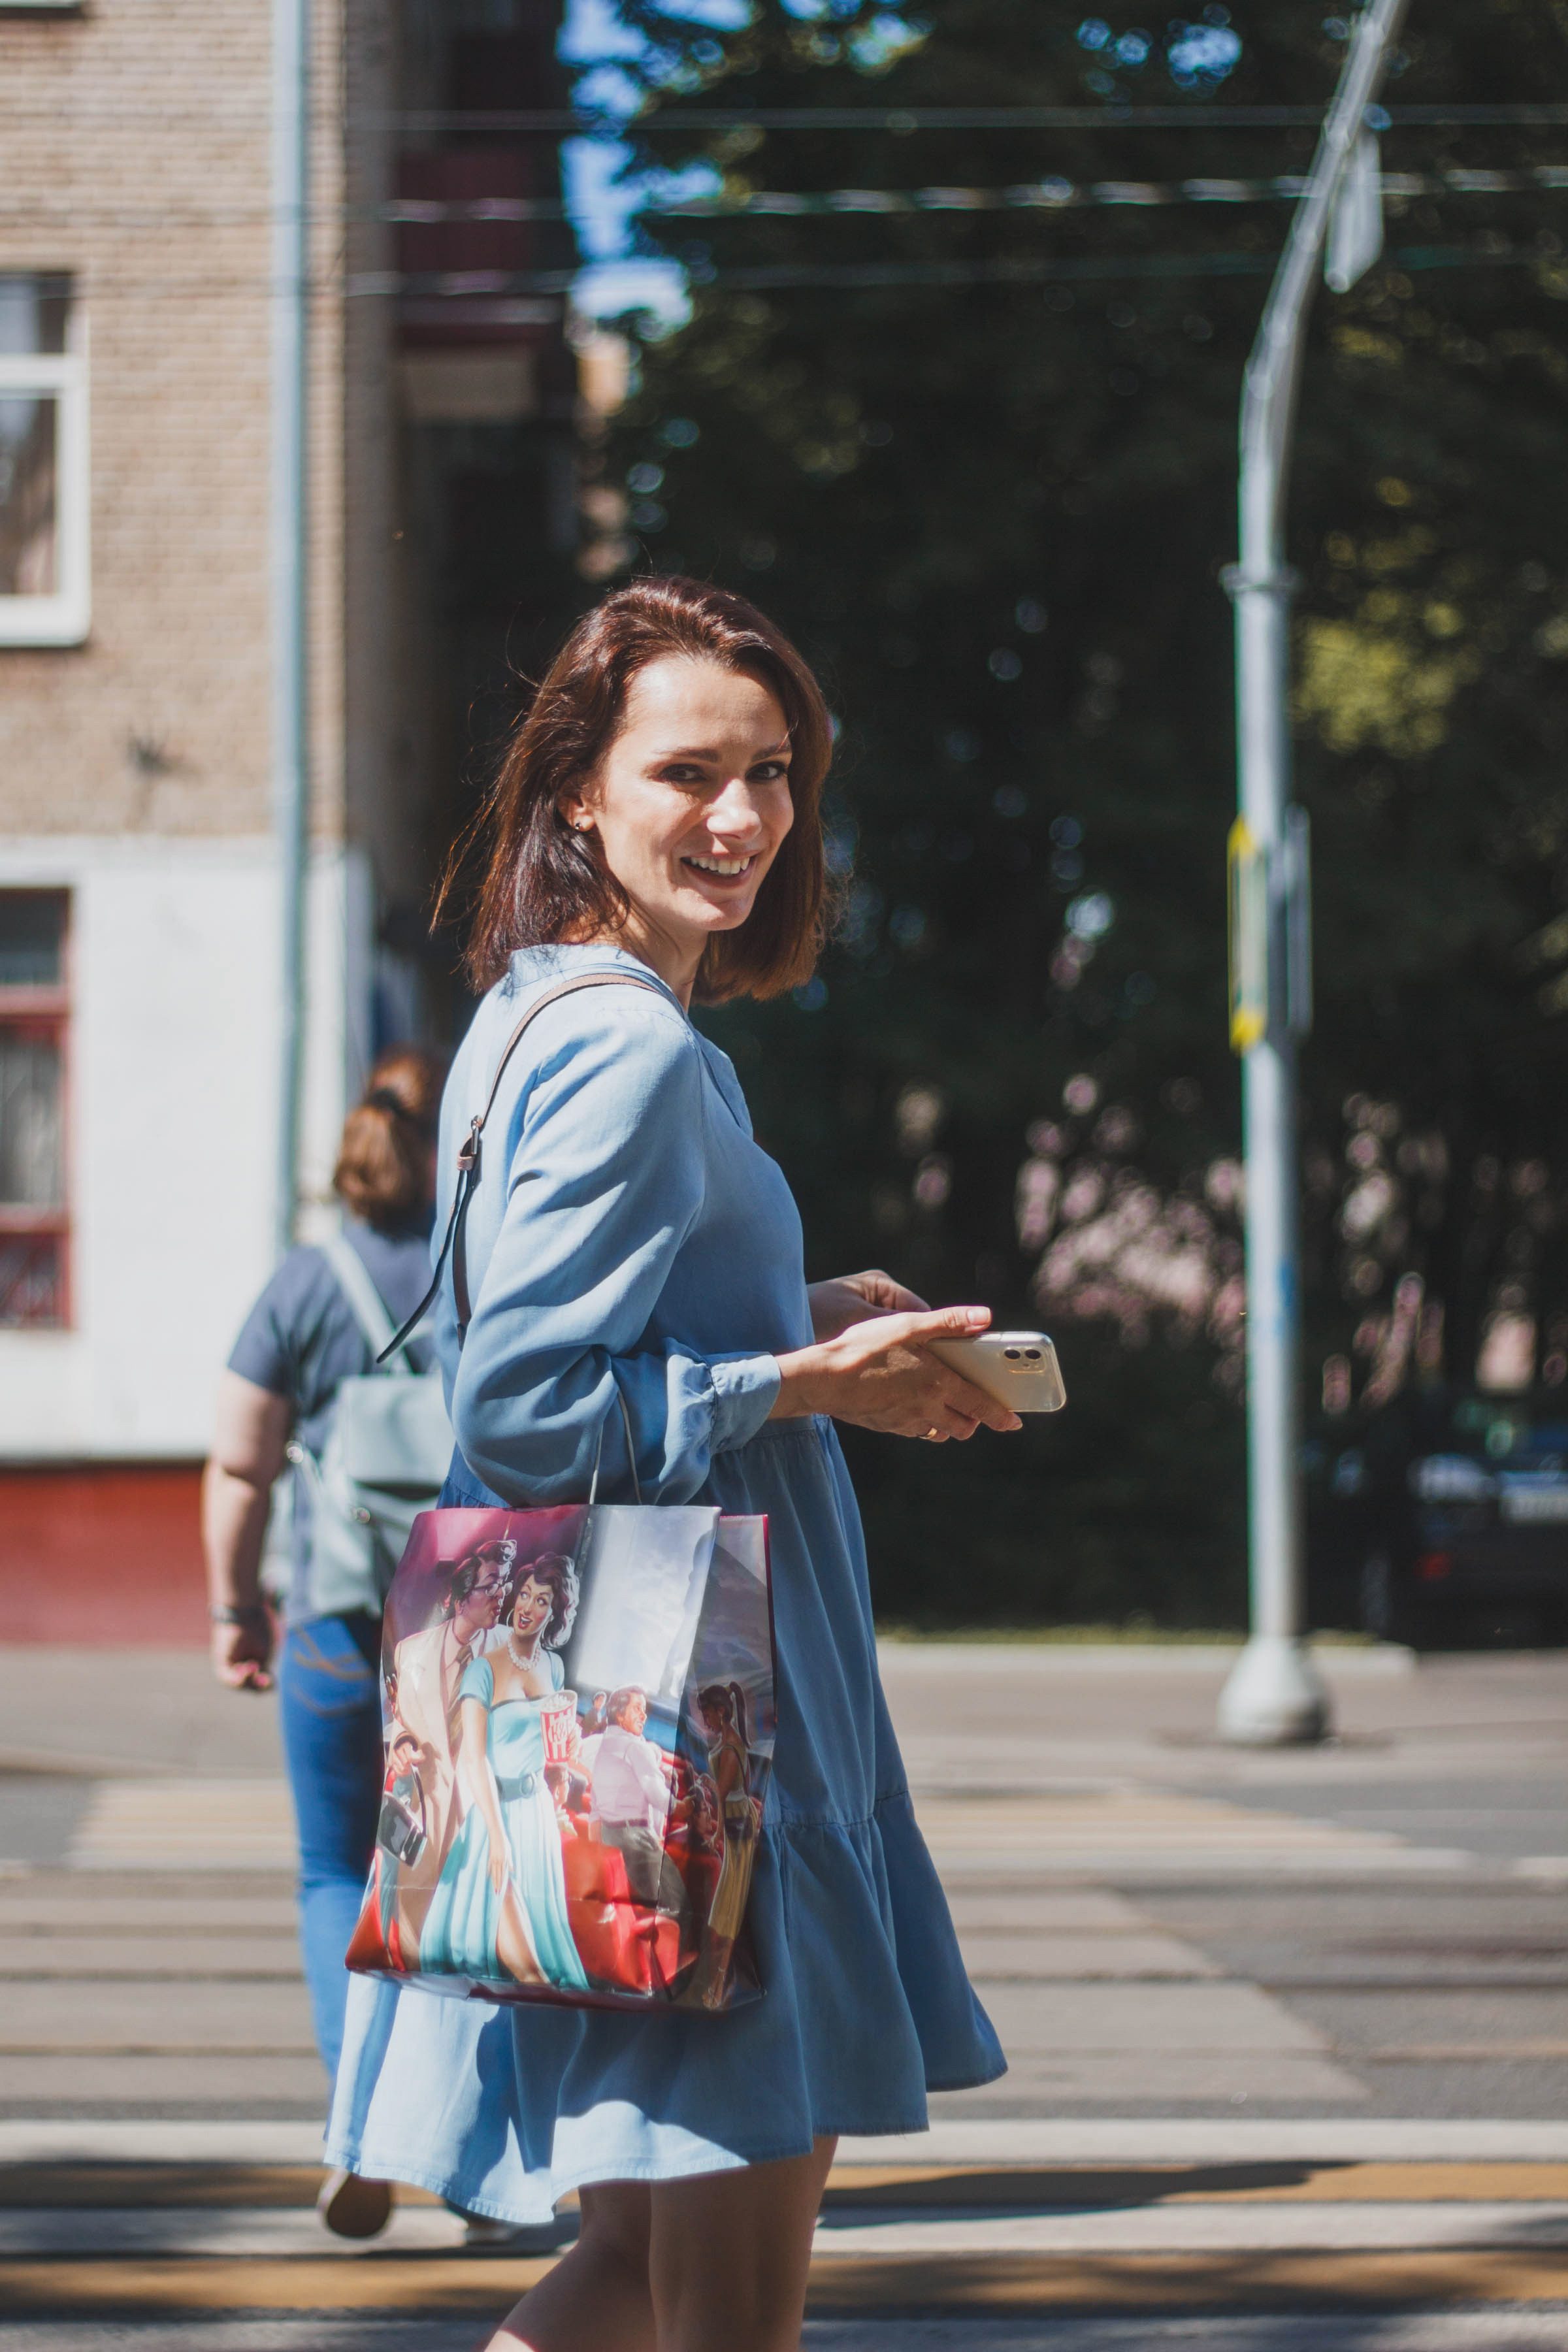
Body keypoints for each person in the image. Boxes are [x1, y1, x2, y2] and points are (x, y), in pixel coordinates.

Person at [324, 576, 1017, 2351]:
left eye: (774, 771)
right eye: (687, 770)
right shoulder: (633, 1048)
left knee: (639, 2276)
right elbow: (529, 1410)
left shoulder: (530, 1016)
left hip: (634, 1734)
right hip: (709, 1741)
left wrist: (801, 1312)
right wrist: (796, 1380)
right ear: (574, 790)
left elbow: (588, 1331)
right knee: (725, 2318)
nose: (743, 817)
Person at [202, 1045, 445, 2239]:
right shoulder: (488, 1275)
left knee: (334, 1874)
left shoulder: (304, 1286)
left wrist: (233, 1607)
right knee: (469, 1886)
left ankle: (360, 2128)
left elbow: (242, 1467)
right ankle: (476, 2150)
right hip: (471, 1629)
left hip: (340, 1620)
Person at [419, 1554, 589, 1991]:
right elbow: (475, 1759)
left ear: (556, 1613)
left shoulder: (553, 1666)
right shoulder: (483, 1670)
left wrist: (563, 1763)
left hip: (536, 1821)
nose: (528, 1607)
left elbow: (552, 1749)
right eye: (526, 1594)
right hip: (494, 1822)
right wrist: (497, 1838)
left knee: (550, 1972)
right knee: (530, 1972)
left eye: (542, 1600)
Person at [387, 1539, 515, 1952]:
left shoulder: (513, 1649)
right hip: (424, 1815)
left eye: (505, 1585)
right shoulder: (410, 1651)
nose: (502, 1595)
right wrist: (403, 1743)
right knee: (411, 1946)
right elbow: (400, 1721)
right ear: (461, 1599)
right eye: (491, 1585)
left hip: (487, 1822)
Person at [588, 1685, 689, 1917]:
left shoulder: (605, 1747)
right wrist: (686, 1807)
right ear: (619, 1714)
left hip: (610, 1835)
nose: (644, 1715)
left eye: (644, 1710)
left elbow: (596, 1806)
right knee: (678, 1905)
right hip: (635, 1838)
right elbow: (658, 1796)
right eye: (637, 1709)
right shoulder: (635, 1747)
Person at [694, 1680, 759, 2008]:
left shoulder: (731, 1748)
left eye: (708, 1713)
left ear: (722, 1712)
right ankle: (716, 1982)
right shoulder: (724, 1743)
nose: (705, 1720)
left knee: (731, 1907)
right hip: (731, 1824)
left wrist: (706, 1784)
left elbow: (722, 1793)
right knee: (724, 1905)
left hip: (738, 1824)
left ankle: (719, 1984)